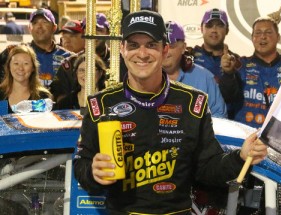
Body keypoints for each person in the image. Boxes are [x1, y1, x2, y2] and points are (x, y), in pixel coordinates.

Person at [73, 10, 268, 214]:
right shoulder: (100, 103)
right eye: (133, 45)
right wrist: (93, 172)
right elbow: (81, 165)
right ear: (122, 49)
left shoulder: (193, 102)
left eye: (151, 45)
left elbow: (208, 169)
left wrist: (241, 156)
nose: (142, 53)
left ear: (165, 49)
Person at [221, 16, 281, 128]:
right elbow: (227, 98)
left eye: (268, 32)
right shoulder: (239, 65)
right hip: (244, 138)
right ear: (252, 38)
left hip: (279, 137)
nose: (263, 37)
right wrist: (228, 74)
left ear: (278, 37)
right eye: (258, 33)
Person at [163, 21, 227, 118]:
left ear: (183, 48)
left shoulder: (205, 78)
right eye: (162, 45)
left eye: (171, 46)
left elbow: (220, 118)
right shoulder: (144, 77)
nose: (165, 51)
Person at [0, 8, 74, 88]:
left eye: (44, 22)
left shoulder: (68, 57)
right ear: (30, 29)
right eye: (35, 23)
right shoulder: (13, 52)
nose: (39, 26)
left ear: (54, 28)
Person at [192, 8, 242, 119]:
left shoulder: (237, 62)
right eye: (209, 25)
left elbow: (232, 98)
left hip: (224, 125)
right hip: (193, 121)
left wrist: (229, 73)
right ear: (201, 28)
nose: (214, 30)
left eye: (219, 25)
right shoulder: (190, 57)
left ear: (227, 30)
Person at [50, 13, 110, 102]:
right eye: (88, 29)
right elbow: (58, 94)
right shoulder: (71, 63)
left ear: (108, 32)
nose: (93, 34)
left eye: (98, 29)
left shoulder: (121, 60)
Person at [0, 45, 52, 114]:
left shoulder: (42, 97)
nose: (20, 68)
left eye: (26, 64)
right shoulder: (1, 94)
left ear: (33, 68)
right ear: (9, 67)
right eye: (16, 63)